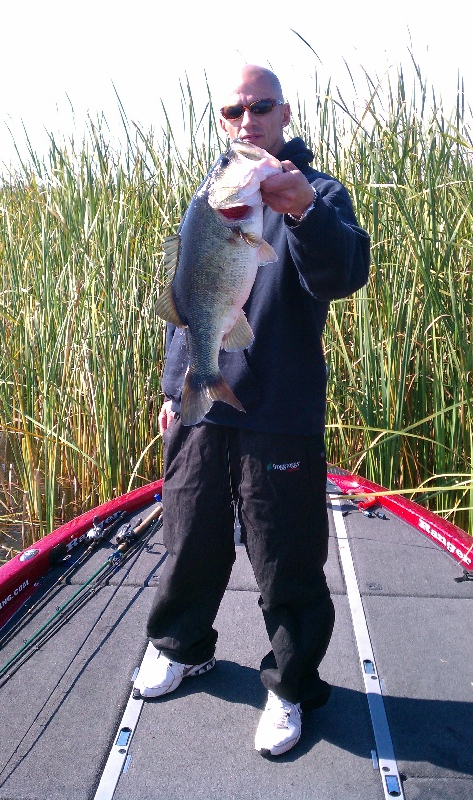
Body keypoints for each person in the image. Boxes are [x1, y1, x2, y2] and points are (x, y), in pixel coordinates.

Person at [133, 64, 370, 757]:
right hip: (204, 404)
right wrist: (176, 390)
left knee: (285, 557)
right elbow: (186, 304)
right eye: (233, 111)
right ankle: (181, 645)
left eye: (259, 107)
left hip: (279, 406)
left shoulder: (318, 193)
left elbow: (340, 274)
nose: (246, 120)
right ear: (221, 122)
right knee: (188, 536)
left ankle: (290, 687)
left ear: (284, 114)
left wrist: (300, 211)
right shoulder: (210, 197)